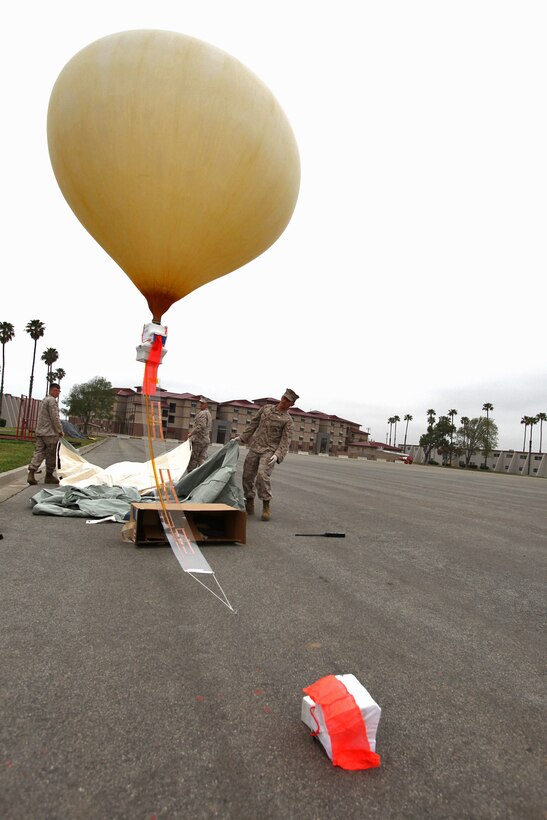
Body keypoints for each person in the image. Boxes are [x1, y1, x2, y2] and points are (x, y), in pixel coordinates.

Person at [237, 388, 299, 521]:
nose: (284, 401)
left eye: (288, 400)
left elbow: (285, 441)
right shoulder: (265, 409)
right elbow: (253, 424)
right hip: (255, 447)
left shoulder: (288, 421)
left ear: (291, 404)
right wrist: (241, 438)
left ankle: (266, 504)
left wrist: (278, 454)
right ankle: (249, 500)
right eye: (284, 397)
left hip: (269, 451)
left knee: (262, 475)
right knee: (247, 475)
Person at [27, 383, 64, 485]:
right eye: (56, 390)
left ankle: (31, 472)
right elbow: (54, 417)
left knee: (39, 452)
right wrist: (60, 430)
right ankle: (49, 476)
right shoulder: (52, 401)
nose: (57, 393)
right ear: (51, 390)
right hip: (50, 433)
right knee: (51, 454)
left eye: (58, 391)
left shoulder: (44, 400)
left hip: (40, 432)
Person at [186, 396, 212, 473]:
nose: (200, 405)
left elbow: (201, 426)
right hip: (205, 440)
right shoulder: (209, 414)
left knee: (193, 460)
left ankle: (190, 477)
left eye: (202, 403)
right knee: (201, 460)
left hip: (199, 441)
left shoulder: (202, 413)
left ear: (206, 404)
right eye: (200, 403)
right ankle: (202, 476)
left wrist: (191, 433)